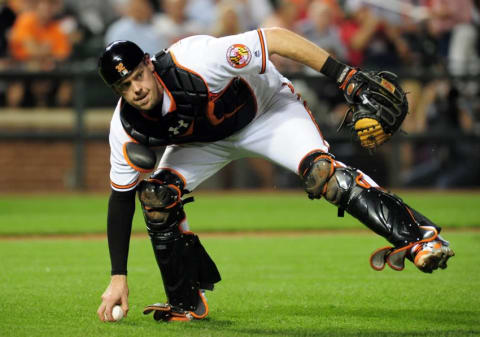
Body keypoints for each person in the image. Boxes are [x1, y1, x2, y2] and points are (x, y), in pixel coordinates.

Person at [96, 26, 455, 322]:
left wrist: (344, 75)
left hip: (267, 112)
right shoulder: (127, 126)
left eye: (138, 77)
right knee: (156, 197)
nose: (136, 90)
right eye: (124, 87)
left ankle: (421, 238)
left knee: (323, 175)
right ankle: (185, 302)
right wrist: (118, 277)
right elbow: (121, 198)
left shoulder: (196, 60)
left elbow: (277, 39)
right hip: (206, 141)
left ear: (148, 64)